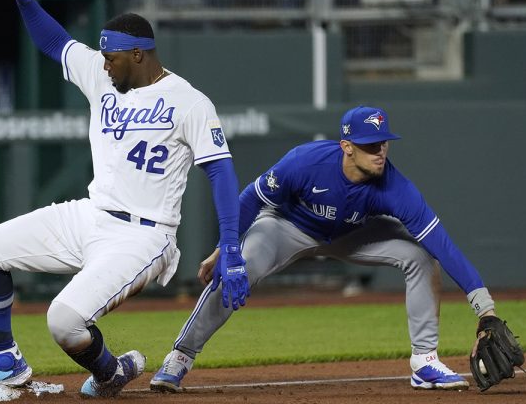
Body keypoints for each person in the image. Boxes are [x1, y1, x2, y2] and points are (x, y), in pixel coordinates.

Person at [0, 0, 249, 398]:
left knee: (63, 321)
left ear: (138, 54)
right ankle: (3, 360)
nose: (103, 64)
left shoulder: (190, 102)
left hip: (143, 236)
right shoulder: (103, 78)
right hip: (90, 214)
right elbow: (56, 43)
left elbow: (220, 172)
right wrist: (26, 1)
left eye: (112, 58)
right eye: (102, 57)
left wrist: (231, 244)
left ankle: (109, 372)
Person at [151, 105, 502, 392]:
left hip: (352, 234)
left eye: (383, 143)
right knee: (237, 267)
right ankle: (180, 356)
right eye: (369, 144)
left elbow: (442, 243)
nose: (379, 151)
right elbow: (250, 199)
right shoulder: (305, 162)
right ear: (346, 145)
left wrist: (484, 309)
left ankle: (424, 362)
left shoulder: (395, 187)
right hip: (286, 226)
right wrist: (225, 248)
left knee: (421, 255)